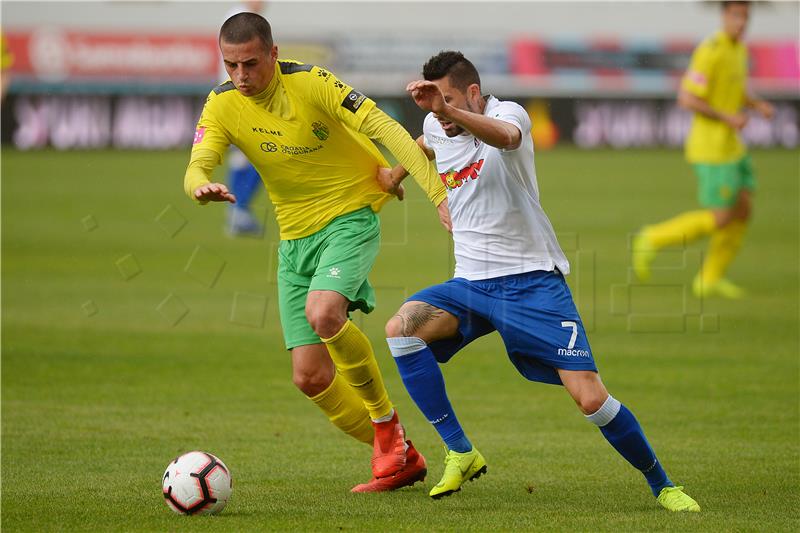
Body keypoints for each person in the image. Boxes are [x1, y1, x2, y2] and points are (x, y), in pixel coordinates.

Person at [377, 51, 700, 511]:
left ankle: (662, 484)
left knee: (590, 398)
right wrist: (395, 173)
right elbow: (424, 142)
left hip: (531, 284)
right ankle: (461, 450)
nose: (439, 114)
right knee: (401, 330)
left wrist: (447, 110)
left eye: (446, 101)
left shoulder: (508, 115)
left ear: (472, 93)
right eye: (433, 105)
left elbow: (507, 139)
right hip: (471, 284)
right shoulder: (437, 125)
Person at [183, 12, 451, 492]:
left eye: (250, 64)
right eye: (231, 66)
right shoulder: (222, 104)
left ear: (273, 54)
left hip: (349, 217)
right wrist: (201, 184)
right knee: (309, 377)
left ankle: (387, 425)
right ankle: (402, 455)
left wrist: (438, 195)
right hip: (294, 241)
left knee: (324, 313)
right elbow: (197, 163)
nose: (241, 77)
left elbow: (385, 127)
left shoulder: (313, 83)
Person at [632, 0, 773, 298]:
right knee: (722, 216)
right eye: (736, 15)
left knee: (744, 209)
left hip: (733, 147)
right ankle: (652, 238)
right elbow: (687, 98)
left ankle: (710, 278)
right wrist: (728, 117)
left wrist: (756, 104)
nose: (741, 22)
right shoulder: (710, 51)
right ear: (724, 16)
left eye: (746, 16)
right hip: (712, 149)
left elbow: (735, 89)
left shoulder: (739, 50)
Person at [221, 1, 266, 236]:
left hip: (236, 94)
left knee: (244, 157)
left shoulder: (239, 17)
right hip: (242, 95)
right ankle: (239, 211)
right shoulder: (241, 19)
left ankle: (238, 212)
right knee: (262, 153)